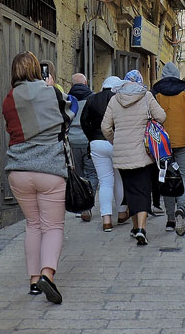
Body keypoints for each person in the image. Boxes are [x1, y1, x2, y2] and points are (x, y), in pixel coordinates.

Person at [2, 51, 76, 304]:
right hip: (50, 169)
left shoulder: (9, 98)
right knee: (52, 226)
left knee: (33, 225)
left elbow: (11, 128)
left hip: (19, 170)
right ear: (37, 69)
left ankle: (34, 280)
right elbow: (69, 117)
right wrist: (51, 87)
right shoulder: (51, 92)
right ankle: (47, 274)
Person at [101, 72, 166, 245]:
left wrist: (115, 140)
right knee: (143, 190)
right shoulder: (146, 96)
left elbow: (105, 127)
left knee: (130, 191)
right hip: (143, 152)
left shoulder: (114, 99)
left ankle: (136, 227)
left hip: (122, 153)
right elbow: (162, 116)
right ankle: (141, 229)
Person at [151, 62, 185, 236]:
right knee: (184, 175)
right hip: (183, 140)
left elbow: (150, 116)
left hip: (162, 143)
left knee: (165, 177)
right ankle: (181, 209)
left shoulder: (155, 91)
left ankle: (170, 219)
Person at [80, 75, 129, 231]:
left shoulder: (92, 99)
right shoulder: (119, 99)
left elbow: (84, 121)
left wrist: (91, 137)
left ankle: (106, 219)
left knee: (105, 181)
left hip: (97, 143)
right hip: (117, 142)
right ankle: (122, 213)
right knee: (119, 179)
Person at [65, 73, 98, 222]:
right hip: (88, 140)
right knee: (92, 174)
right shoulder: (92, 98)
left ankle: (79, 205)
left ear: (72, 85)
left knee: (78, 174)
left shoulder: (67, 99)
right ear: (86, 83)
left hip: (72, 141)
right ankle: (87, 206)